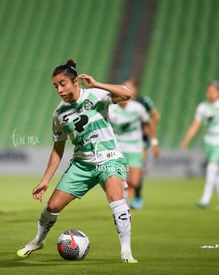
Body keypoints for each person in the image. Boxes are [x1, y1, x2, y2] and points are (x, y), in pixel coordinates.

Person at [16, 60, 137, 263]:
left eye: (63, 83)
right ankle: (38, 240)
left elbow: (126, 94)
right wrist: (45, 180)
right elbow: (57, 150)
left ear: (75, 82)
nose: (59, 89)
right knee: (52, 206)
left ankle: (126, 250)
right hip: (82, 164)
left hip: (109, 159)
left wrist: (97, 84)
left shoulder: (96, 95)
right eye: (55, 86)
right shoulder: (59, 115)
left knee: (116, 199)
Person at [181, 80, 219, 211]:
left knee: (212, 167)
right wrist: (186, 140)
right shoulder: (202, 107)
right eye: (209, 91)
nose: (211, 93)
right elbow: (196, 125)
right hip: (209, 141)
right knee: (218, 172)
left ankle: (205, 199)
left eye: (214, 91)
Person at [108, 88, 159, 203]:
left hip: (136, 147)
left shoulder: (138, 108)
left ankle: (133, 195)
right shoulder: (111, 109)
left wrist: (154, 142)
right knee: (122, 178)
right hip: (119, 148)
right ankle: (124, 205)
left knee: (135, 182)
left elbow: (149, 123)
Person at [124, 79, 160, 209]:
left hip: (141, 141)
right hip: (122, 143)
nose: (126, 89)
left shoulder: (143, 102)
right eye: (125, 87)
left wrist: (148, 129)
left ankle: (138, 196)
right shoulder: (119, 103)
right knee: (125, 173)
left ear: (135, 89)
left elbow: (156, 116)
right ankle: (127, 196)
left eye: (129, 87)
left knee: (137, 170)